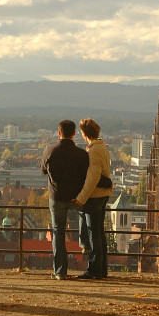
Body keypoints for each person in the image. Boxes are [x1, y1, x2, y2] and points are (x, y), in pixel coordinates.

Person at [40, 119, 90, 280]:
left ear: (59, 133)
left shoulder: (49, 151)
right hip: (76, 197)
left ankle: (60, 271)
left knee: (58, 233)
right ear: (74, 133)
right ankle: (85, 243)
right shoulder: (82, 154)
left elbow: (43, 170)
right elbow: (86, 176)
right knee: (85, 214)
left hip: (56, 197)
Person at [73, 118, 113, 279]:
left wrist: (82, 197)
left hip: (95, 196)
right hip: (103, 195)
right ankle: (102, 269)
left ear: (84, 134)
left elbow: (93, 177)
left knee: (93, 234)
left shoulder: (94, 150)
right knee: (99, 233)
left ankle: (94, 269)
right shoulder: (102, 146)